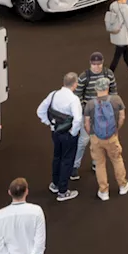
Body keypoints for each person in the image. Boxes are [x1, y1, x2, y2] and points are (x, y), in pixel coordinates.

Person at [36, 73, 82, 202]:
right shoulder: (74, 99)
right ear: (75, 84)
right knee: (67, 160)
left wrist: (49, 123)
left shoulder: (53, 94)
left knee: (57, 157)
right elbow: (78, 119)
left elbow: (40, 110)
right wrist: (73, 132)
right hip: (68, 134)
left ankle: (55, 184)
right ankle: (63, 191)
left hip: (55, 132)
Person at [72, 53, 117, 180]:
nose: (96, 67)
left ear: (102, 63)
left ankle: (95, 162)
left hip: (103, 114)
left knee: (98, 140)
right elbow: (77, 95)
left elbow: (114, 92)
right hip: (88, 113)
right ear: (90, 63)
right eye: (94, 64)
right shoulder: (84, 77)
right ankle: (75, 166)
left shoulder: (109, 75)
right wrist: (85, 110)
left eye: (99, 64)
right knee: (84, 140)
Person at [84, 78, 128, 201]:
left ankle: (104, 191)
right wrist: (116, 129)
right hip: (112, 136)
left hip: (96, 138)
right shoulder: (116, 99)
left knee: (99, 164)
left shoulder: (90, 104)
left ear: (96, 89)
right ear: (107, 87)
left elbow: (87, 124)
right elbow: (122, 117)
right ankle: (122, 185)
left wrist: (91, 134)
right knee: (117, 160)